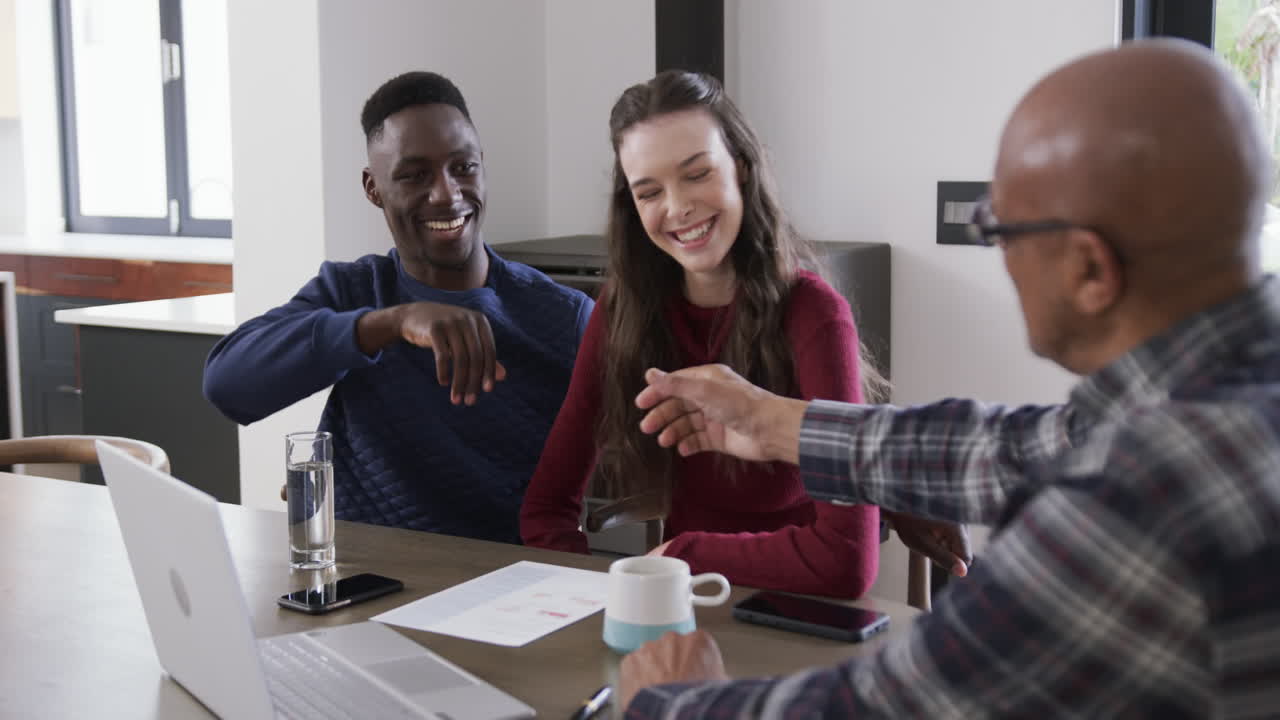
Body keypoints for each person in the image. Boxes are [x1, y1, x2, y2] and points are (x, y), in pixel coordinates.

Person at [619, 40, 1280, 717]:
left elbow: (892, 705)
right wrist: (778, 423)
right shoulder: (1224, 392)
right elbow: (1026, 444)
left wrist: (671, 702)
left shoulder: (1139, 503)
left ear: (1089, 269)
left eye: (999, 227)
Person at [519, 71, 968, 599]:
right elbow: (546, 508)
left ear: (742, 168)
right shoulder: (622, 310)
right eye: (649, 192)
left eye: (697, 173)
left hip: (802, 607)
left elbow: (846, 560)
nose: (678, 206)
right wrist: (594, 596)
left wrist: (681, 557)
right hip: (687, 603)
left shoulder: (815, 314)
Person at [204, 72, 593, 543]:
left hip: (506, 585)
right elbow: (228, 385)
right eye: (414, 175)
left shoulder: (562, 315)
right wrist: (388, 324)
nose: (447, 194)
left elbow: (633, 460)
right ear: (373, 188)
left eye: (463, 168)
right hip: (364, 577)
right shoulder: (352, 291)